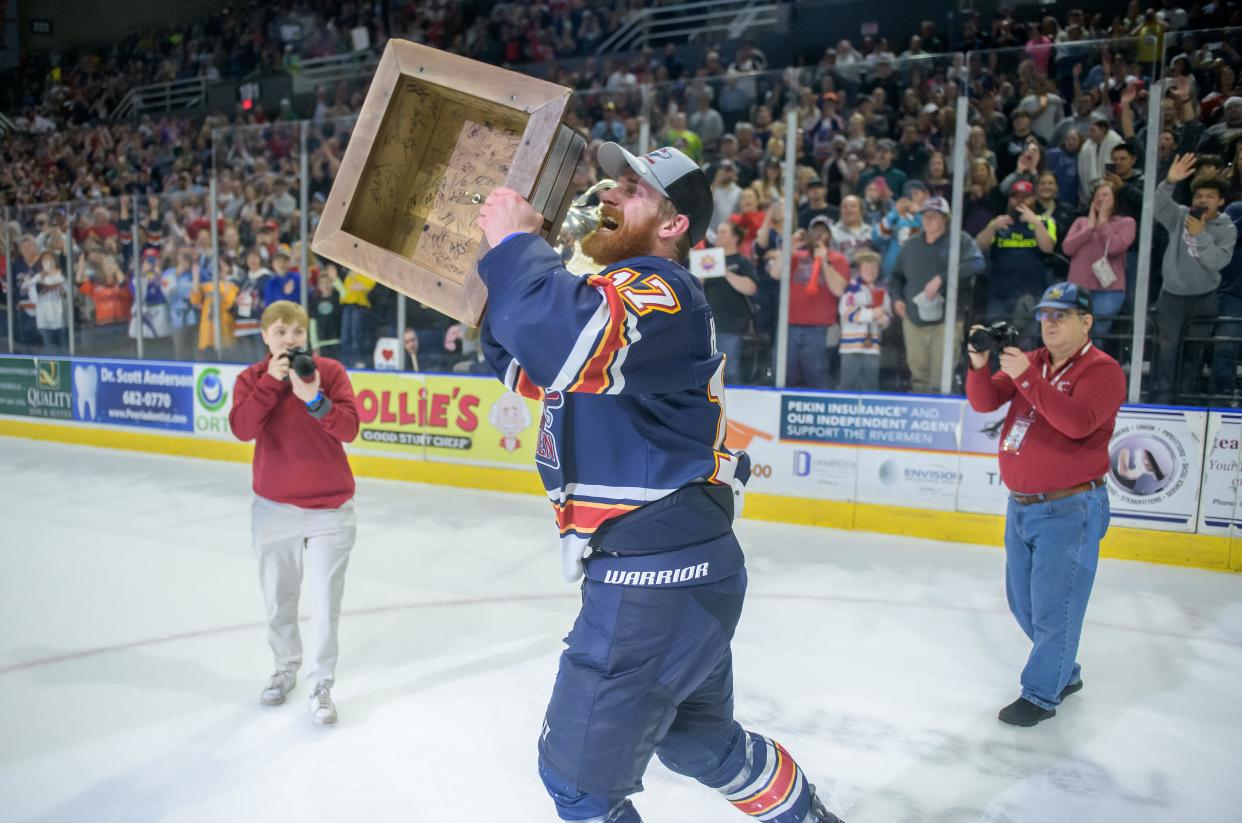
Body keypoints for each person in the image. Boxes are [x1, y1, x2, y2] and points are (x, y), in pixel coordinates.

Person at [474, 144, 843, 823]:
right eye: (612, 180)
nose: (609, 194)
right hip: (684, 572)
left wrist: (519, 249)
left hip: (655, 578)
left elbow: (560, 341)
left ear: (674, 225)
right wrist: (495, 266)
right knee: (703, 744)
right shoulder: (613, 293)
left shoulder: (661, 286)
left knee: (580, 787)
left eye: (635, 190)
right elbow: (529, 362)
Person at [965, 282, 1125, 726]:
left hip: (1070, 507)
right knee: (1024, 603)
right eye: (1045, 314)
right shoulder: (1032, 361)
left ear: (1085, 321)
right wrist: (980, 365)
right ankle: (1063, 671)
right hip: (1023, 505)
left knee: (1057, 607)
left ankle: (1040, 694)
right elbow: (984, 401)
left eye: (1061, 314)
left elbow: (1077, 424)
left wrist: (1027, 378)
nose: (1050, 322)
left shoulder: (1102, 370)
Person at [228, 301, 360, 725]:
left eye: (297, 332)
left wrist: (314, 398)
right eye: (281, 331)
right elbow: (242, 428)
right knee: (279, 597)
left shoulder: (329, 372)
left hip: (330, 510)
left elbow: (350, 429)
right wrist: (270, 382)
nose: (290, 339)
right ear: (265, 336)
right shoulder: (250, 379)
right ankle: (285, 669)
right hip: (274, 510)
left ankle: (320, 684)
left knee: (324, 602)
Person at [1152, 155, 1238, 404]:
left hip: (1204, 299)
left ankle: (1186, 401)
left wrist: (1200, 235)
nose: (1203, 200)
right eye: (1199, 196)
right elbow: (1157, 206)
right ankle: (1163, 401)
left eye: (1210, 196)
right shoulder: (1179, 215)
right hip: (1171, 297)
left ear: (1221, 201)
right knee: (1166, 352)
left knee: (1194, 351)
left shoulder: (1227, 228)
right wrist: (1169, 181)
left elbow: (1217, 262)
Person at [891, 197, 985, 392]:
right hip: (914, 318)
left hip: (947, 319)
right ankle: (919, 415)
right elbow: (896, 276)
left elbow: (977, 263)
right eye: (925, 215)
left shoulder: (960, 240)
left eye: (934, 216)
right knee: (918, 373)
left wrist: (942, 278)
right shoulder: (910, 245)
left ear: (945, 218)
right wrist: (896, 298)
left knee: (941, 376)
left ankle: (941, 415)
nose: (928, 220)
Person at [976, 179, 1057, 348]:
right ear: (1009, 199)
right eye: (1015, 197)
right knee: (996, 341)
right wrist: (992, 228)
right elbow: (978, 246)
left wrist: (1035, 222)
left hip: (1030, 293)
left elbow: (1048, 247)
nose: (1019, 201)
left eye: (1025, 197)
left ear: (1033, 199)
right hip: (999, 292)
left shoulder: (1044, 221)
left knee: (1027, 342)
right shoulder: (999, 222)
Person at [1062, 183, 1136, 343]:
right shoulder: (1081, 222)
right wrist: (1089, 228)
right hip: (1078, 288)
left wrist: (1102, 223)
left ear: (1115, 200)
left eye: (1105, 195)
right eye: (1097, 196)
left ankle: (1094, 366)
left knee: (1098, 333)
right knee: (1075, 333)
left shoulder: (1126, 223)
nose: (1100, 199)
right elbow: (1067, 248)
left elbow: (1116, 247)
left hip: (1109, 290)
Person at [706, 221, 759, 384]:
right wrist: (702, 272)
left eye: (723, 232)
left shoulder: (742, 262)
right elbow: (694, 288)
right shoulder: (707, 258)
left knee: (730, 370)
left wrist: (726, 271)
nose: (718, 235)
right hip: (707, 326)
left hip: (732, 326)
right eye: (718, 231)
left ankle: (734, 407)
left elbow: (750, 288)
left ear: (735, 238)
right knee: (707, 372)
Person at [838, 249, 891, 391]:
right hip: (851, 348)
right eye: (866, 266)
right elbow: (847, 313)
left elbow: (887, 315)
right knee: (848, 385)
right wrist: (872, 313)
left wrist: (883, 320)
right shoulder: (852, 289)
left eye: (874, 267)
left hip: (872, 348)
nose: (870, 270)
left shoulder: (882, 290)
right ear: (859, 269)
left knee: (871, 386)